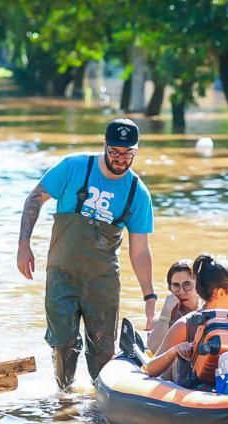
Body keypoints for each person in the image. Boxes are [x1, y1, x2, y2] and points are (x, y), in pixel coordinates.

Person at [16, 119, 156, 393]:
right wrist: (24, 244)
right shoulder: (74, 167)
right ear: (104, 145)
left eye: (128, 153)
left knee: (103, 349)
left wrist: (149, 295)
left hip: (102, 281)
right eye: (115, 151)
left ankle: (99, 404)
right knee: (62, 343)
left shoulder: (137, 192)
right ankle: (64, 399)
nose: (121, 159)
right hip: (62, 274)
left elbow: (139, 250)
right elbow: (35, 198)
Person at [146, 254, 228, 380]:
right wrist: (175, 351)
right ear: (221, 293)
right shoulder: (185, 325)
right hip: (188, 390)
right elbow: (151, 369)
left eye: (187, 284)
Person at [147, 259, 200, 352]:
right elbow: (154, 349)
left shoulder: (211, 310)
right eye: (176, 285)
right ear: (170, 289)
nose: (181, 292)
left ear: (199, 285)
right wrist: (166, 311)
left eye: (187, 284)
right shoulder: (163, 317)